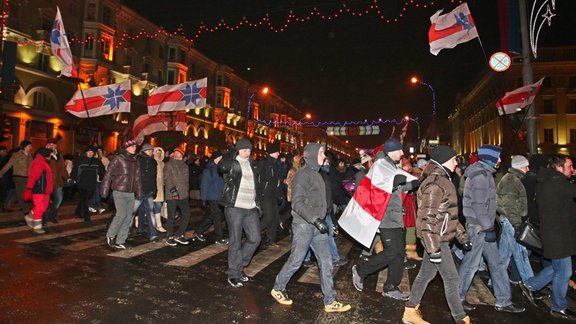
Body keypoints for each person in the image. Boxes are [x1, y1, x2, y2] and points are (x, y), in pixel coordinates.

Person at [271, 143, 351, 313]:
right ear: (313, 155)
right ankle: (278, 287)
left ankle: (330, 301)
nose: (325, 156)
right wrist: (316, 219)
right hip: (304, 226)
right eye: (321, 153)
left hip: (318, 225)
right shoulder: (303, 175)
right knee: (296, 260)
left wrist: (325, 218)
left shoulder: (318, 174)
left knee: (326, 262)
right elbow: (297, 204)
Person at [402, 145, 472, 324]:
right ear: (446, 160)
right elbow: (427, 219)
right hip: (436, 239)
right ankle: (461, 318)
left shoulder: (443, 180)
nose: (457, 162)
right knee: (451, 278)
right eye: (455, 159)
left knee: (426, 275)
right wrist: (433, 249)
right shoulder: (436, 183)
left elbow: (448, 214)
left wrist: (462, 236)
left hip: (436, 238)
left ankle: (410, 310)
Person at [458, 144, 524, 313]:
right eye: (498, 157)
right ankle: (458, 297)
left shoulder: (483, 173)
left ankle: (503, 300)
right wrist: (488, 228)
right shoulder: (480, 176)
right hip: (479, 227)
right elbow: (479, 205)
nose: (500, 160)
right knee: (471, 264)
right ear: (491, 158)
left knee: (497, 263)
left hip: (483, 225)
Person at [351, 138, 420, 301]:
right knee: (391, 252)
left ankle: (391, 287)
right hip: (385, 217)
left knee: (398, 254)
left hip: (396, 216)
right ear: (391, 151)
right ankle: (361, 270)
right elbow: (377, 188)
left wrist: (414, 183)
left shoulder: (392, 166)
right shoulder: (381, 166)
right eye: (399, 151)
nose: (402, 154)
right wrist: (393, 182)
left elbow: (399, 187)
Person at [519, 155, 576, 320]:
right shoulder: (557, 182)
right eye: (570, 166)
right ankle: (558, 306)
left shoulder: (547, 181)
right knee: (564, 272)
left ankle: (531, 284)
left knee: (557, 268)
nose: (571, 169)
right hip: (558, 235)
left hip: (555, 233)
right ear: (559, 167)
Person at [218, 138, 261, 288]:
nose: (246, 152)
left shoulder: (252, 164)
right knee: (235, 240)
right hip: (235, 206)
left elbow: (257, 184)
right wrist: (231, 154)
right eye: (243, 150)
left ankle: (239, 265)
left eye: (249, 150)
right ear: (238, 150)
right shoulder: (232, 162)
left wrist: (258, 203)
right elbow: (221, 167)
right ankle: (234, 274)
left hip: (251, 207)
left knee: (255, 238)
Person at [495, 155, 534, 283]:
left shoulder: (512, 179)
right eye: (526, 166)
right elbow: (509, 205)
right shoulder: (512, 181)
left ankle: (496, 281)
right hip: (512, 221)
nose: (528, 169)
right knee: (521, 253)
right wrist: (517, 224)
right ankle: (531, 284)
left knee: (504, 254)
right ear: (521, 166)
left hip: (508, 220)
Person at [101, 140, 143, 249]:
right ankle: (110, 235)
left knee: (129, 217)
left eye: (135, 146)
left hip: (131, 192)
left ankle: (121, 240)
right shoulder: (118, 158)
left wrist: (139, 192)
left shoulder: (135, 160)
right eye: (133, 146)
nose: (135, 148)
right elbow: (108, 174)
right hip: (119, 191)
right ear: (127, 147)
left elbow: (138, 178)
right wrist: (104, 189)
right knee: (121, 214)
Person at [194, 151, 227, 244]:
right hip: (212, 197)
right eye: (220, 158)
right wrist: (203, 199)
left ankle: (199, 231)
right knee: (217, 216)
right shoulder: (208, 170)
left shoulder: (221, 169)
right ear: (215, 159)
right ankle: (219, 237)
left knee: (213, 216)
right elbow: (204, 185)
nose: (221, 160)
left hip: (219, 197)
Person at [22, 148, 53, 234]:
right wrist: (29, 188)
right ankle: (37, 226)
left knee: (44, 207)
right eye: (50, 155)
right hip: (39, 189)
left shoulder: (43, 161)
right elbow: (33, 176)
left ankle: (29, 216)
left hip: (45, 189)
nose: (51, 157)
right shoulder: (38, 162)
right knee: (39, 207)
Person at [164, 147, 191, 246]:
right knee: (171, 216)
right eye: (175, 152)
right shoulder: (169, 164)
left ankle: (180, 234)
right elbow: (167, 178)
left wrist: (187, 192)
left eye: (178, 153)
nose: (176, 154)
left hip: (183, 194)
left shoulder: (185, 166)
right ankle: (169, 236)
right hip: (172, 194)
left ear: (182, 155)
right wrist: (173, 190)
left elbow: (186, 181)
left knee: (187, 214)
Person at [257, 142, 282, 247]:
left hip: (273, 195)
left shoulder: (275, 164)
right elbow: (260, 180)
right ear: (271, 152)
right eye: (277, 152)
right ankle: (253, 232)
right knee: (267, 217)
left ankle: (270, 239)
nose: (278, 154)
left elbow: (276, 182)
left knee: (275, 217)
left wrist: (279, 194)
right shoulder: (264, 163)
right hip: (265, 195)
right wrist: (260, 194)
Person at [132, 143, 158, 242]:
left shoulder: (153, 162)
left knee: (150, 212)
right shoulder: (138, 160)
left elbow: (154, 177)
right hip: (139, 191)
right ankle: (126, 232)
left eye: (152, 150)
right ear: (145, 151)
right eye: (150, 150)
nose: (152, 152)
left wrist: (154, 190)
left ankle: (153, 234)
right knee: (132, 212)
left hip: (149, 191)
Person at [71, 146, 105, 223]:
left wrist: (103, 178)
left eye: (92, 152)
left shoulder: (97, 161)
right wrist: (73, 178)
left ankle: (78, 212)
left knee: (85, 199)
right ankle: (87, 217)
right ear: (85, 152)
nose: (90, 153)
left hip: (92, 183)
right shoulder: (80, 160)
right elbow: (75, 170)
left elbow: (102, 170)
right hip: (82, 183)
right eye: (88, 152)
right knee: (85, 200)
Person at [0, 140, 33, 215]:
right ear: (25, 147)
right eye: (29, 146)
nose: (31, 147)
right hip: (18, 177)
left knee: (17, 192)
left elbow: (32, 167)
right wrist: (1, 173)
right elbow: (9, 165)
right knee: (22, 194)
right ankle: (26, 210)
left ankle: (7, 205)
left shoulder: (30, 155)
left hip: (27, 177)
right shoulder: (16, 155)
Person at [43, 138, 69, 225]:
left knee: (58, 200)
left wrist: (67, 177)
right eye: (49, 144)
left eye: (53, 144)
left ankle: (52, 216)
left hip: (58, 182)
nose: (52, 146)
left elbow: (63, 169)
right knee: (45, 202)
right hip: (47, 182)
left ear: (56, 146)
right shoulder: (43, 154)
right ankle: (43, 218)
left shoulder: (59, 156)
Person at [152, 147, 167, 233]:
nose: (158, 153)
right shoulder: (151, 162)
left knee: (158, 206)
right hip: (153, 187)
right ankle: (158, 225)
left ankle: (158, 225)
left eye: (160, 152)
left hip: (160, 188)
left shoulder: (162, 164)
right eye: (156, 152)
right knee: (151, 206)